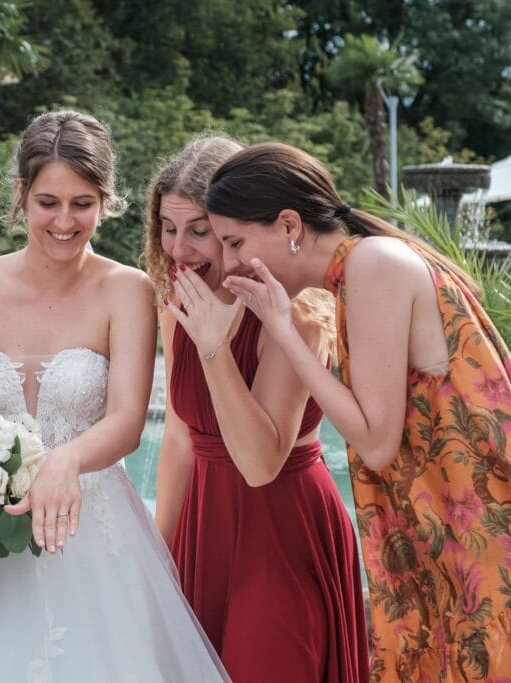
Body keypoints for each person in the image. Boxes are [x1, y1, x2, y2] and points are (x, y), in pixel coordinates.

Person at [0, 111, 227, 681]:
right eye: (48, 201)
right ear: (22, 196)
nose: (64, 220)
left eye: (82, 202)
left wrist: (65, 461)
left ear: (105, 200)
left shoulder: (126, 289)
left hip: (90, 535)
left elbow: (129, 420)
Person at [205, 141, 511, 681]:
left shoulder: (374, 264)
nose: (229, 261)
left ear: (288, 225)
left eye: (235, 241)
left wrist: (282, 329)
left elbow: (375, 441)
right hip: (455, 535)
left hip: (481, 544)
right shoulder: (360, 271)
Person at [143, 136, 369, 682]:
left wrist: (216, 349)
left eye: (200, 231)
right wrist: (159, 557)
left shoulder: (296, 317)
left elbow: (260, 461)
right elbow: (179, 440)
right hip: (204, 528)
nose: (179, 250)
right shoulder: (179, 307)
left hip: (280, 537)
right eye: (168, 230)